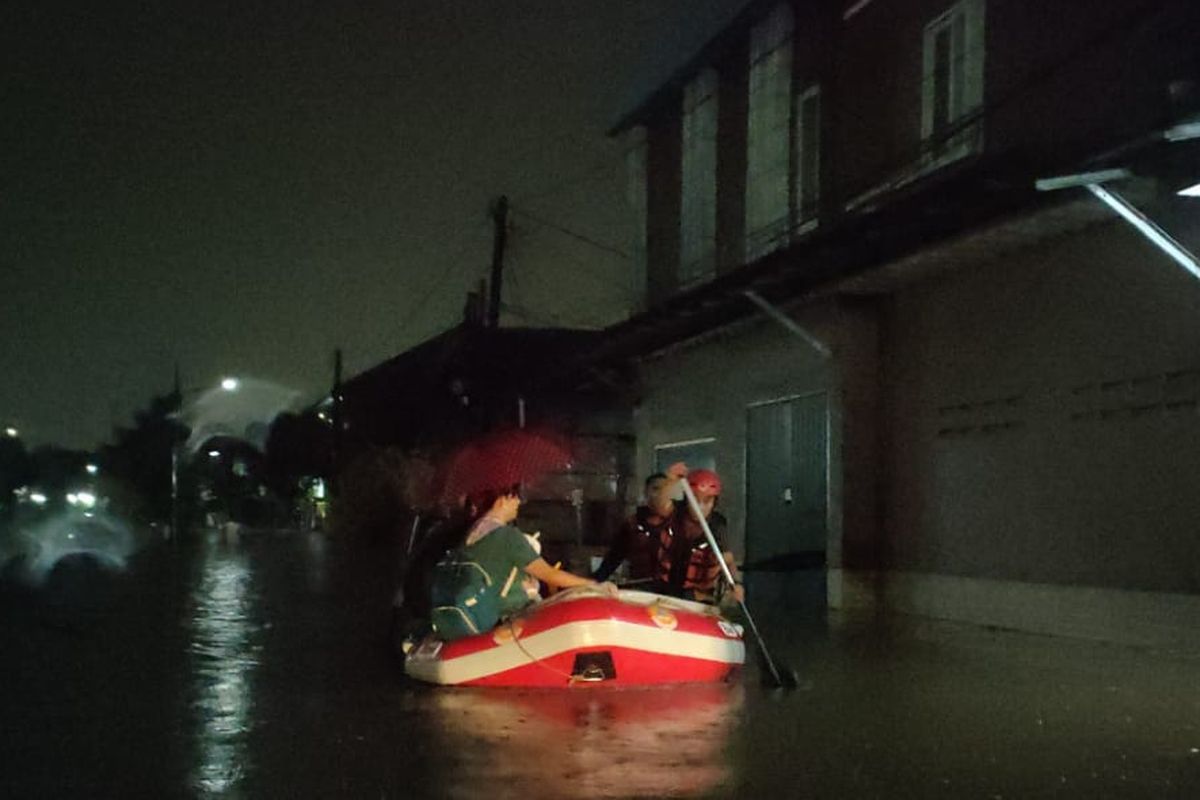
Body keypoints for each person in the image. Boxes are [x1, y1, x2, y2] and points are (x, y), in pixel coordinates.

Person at [429, 485, 615, 641]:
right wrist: (593, 585)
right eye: (515, 497)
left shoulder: (472, 533)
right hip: (505, 619)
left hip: (475, 614)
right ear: (501, 499)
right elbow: (550, 574)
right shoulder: (507, 537)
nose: (519, 502)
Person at [653, 466, 745, 605]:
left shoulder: (717, 524)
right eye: (695, 499)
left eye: (707, 501)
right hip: (665, 591)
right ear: (687, 498)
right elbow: (659, 505)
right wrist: (670, 480)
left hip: (698, 598)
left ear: (714, 502)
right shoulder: (675, 512)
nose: (700, 507)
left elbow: (727, 559)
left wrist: (736, 584)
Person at [593, 472, 675, 583]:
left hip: (673, 591)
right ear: (646, 492)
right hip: (641, 588)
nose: (661, 494)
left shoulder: (681, 524)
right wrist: (593, 582)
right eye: (656, 489)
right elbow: (613, 558)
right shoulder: (632, 525)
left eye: (666, 490)